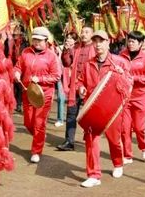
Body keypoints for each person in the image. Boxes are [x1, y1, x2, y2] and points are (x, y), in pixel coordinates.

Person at [77, 30, 132, 188]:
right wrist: (81, 89)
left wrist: (123, 75)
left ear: (108, 42)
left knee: (114, 139)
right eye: (95, 41)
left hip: (112, 109)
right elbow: (81, 81)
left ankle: (117, 163)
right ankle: (94, 175)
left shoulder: (118, 62)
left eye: (101, 41)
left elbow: (129, 83)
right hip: (93, 109)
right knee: (91, 140)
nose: (98, 44)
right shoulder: (88, 64)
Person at [14, 26, 61, 163]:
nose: (36, 43)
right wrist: (16, 73)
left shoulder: (51, 56)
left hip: (44, 94)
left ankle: (36, 151)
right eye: (34, 39)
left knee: (39, 123)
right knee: (28, 122)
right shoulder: (26, 52)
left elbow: (56, 76)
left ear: (46, 41)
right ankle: (39, 135)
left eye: (39, 40)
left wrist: (40, 79)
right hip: (27, 92)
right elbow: (18, 66)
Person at [58, 25, 95, 151]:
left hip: (90, 87)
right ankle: (69, 141)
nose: (84, 34)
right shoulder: (76, 48)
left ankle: (90, 139)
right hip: (75, 85)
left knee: (89, 115)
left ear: (92, 34)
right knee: (71, 114)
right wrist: (66, 50)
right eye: (82, 32)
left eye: (87, 32)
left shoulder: (96, 48)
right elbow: (66, 63)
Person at [119, 31, 145, 163]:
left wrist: (133, 78)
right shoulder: (122, 55)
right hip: (125, 97)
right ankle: (127, 155)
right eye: (129, 41)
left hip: (141, 97)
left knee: (139, 127)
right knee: (124, 128)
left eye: (134, 42)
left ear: (140, 44)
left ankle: (144, 147)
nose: (130, 44)